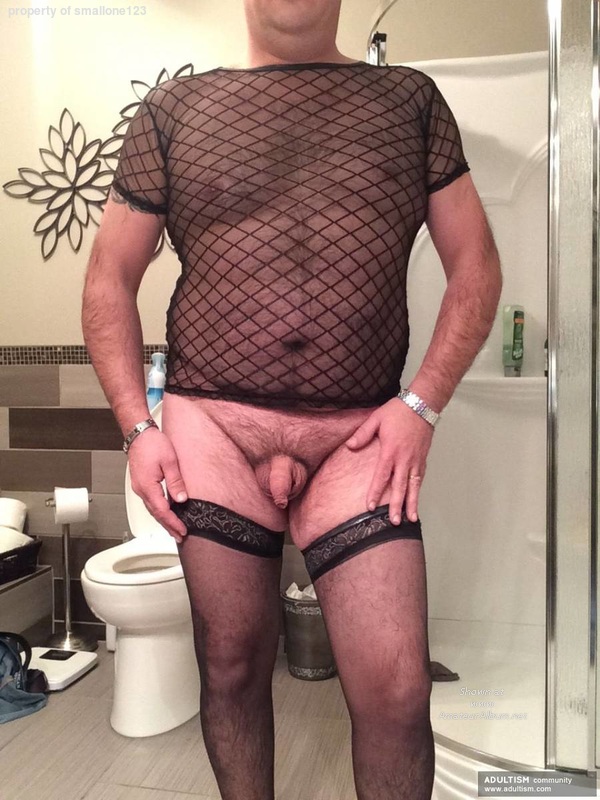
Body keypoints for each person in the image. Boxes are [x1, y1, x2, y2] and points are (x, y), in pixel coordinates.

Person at [81, 1, 502, 798]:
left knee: (398, 689)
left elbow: (476, 266)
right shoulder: (172, 110)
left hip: (359, 439)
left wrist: (422, 406)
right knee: (231, 666)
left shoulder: (409, 101)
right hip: (213, 428)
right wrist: (138, 428)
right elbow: (109, 278)